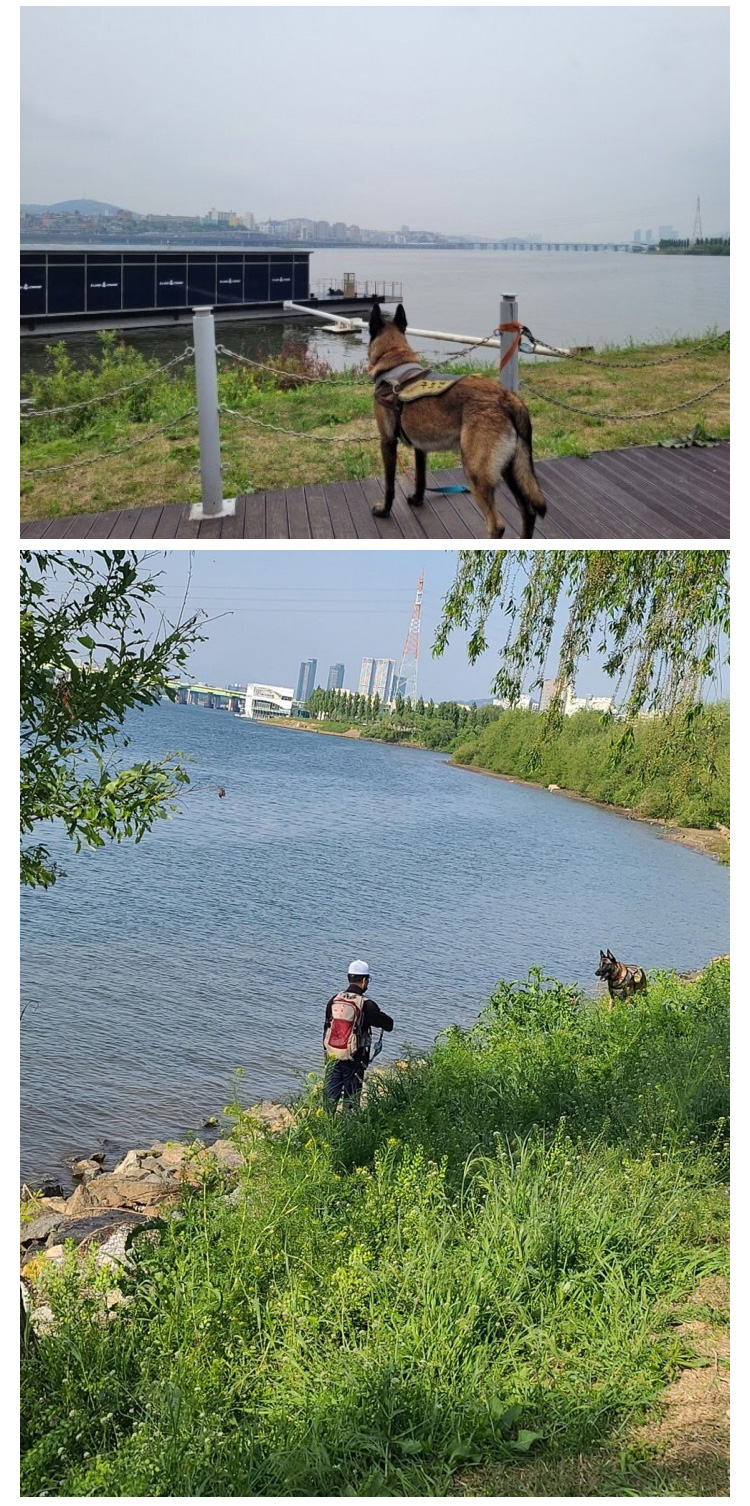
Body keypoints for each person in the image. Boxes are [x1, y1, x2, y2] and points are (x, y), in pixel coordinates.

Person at [323, 959, 393, 1108]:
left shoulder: (334, 1000)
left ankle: (325, 1127)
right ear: (364, 980)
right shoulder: (366, 1005)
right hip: (354, 1060)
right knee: (351, 1103)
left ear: (349, 978)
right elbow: (388, 1024)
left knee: (329, 1101)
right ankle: (349, 1129)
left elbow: (326, 1028)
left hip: (332, 1056)